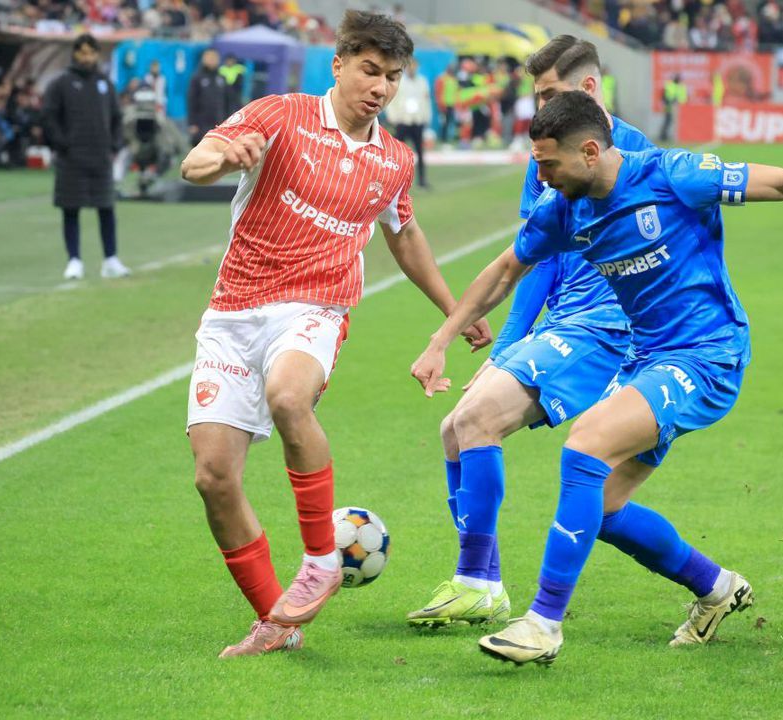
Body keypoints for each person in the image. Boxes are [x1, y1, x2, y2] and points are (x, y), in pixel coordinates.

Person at [411, 91, 783, 665]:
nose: (540, 177)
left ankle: (542, 624)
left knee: (585, 446)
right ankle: (716, 587)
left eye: (548, 163)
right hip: (646, 360)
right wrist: (441, 340)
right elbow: (506, 270)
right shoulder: (564, 208)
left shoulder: (673, 175)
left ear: (589, 151)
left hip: (707, 356)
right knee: (604, 507)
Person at [178, 10, 492, 660]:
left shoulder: (394, 159)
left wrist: (454, 311)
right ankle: (276, 623)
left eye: (392, 77)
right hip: (233, 313)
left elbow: (404, 234)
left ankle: (321, 558)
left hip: (316, 308)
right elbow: (195, 162)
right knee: (214, 478)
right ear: (339, 65)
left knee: (289, 397)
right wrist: (222, 158)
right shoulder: (280, 114)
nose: (380, 87)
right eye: (370, 71)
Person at [407, 36, 739, 643]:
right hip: (575, 322)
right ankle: (714, 586)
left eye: (548, 95)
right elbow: (529, 258)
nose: (540, 110)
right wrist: (507, 342)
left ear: (588, 92)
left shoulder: (628, 158)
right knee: (477, 439)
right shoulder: (551, 153)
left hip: (611, 330)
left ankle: (497, 594)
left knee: (487, 425)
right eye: (536, 98)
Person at [42, 33, 130, 280]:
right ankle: (74, 260)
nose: (87, 57)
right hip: (71, 158)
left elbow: (117, 117)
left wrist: (114, 145)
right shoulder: (61, 83)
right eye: (82, 52)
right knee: (70, 209)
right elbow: (48, 117)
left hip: (101, 157)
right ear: (74, 54)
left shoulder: (105, 83)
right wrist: (62, 144)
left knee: (106, 207)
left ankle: (111, 259)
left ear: (97, 55)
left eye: (91, 53)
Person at [386, 58, 431, 188]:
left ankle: (422, 180)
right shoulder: (399, 81)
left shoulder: (422, 81)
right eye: (410, 66)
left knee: (420, 152)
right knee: (398, 154)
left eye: (414, 66)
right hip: (402, 120)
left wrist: (426, 117)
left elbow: (426, 100)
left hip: (417, 120)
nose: (412, 68)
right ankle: (395, 182)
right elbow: (392, 100)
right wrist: (393, 117)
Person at [187, 49, 227, 146]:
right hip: (201, 123)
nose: (212, 60)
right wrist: (192, 123)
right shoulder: (197, 78)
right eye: (210, 57)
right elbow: (192, 101)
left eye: (215, 57)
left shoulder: (221, 78)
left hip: (218, 122)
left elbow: (227, 101)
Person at [660, 73, 687, 142]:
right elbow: (664, 96)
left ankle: (677, 136)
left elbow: (684, 98)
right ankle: (663, 136)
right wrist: (670, 100)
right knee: (668, 121)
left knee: (675, 123)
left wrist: (679, 101)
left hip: (679, 108)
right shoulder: (669, 85)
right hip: (669, 107)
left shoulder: (681, 87)